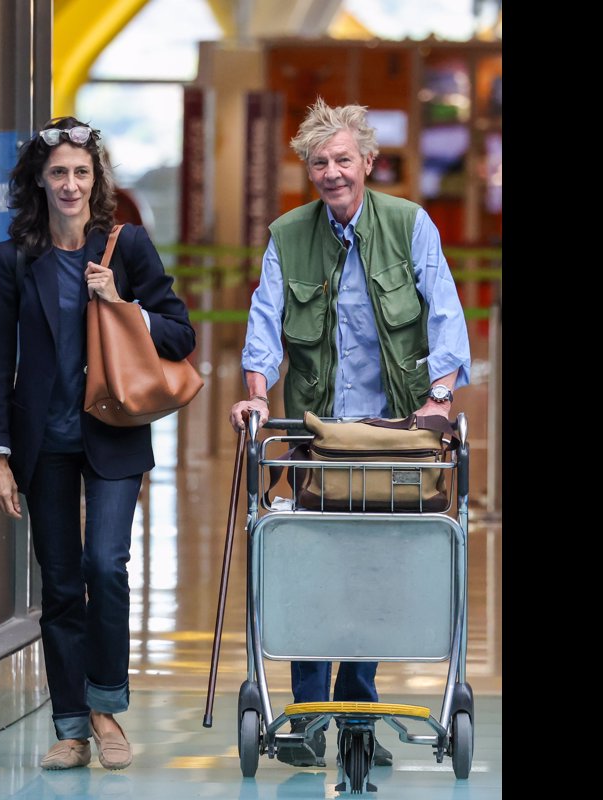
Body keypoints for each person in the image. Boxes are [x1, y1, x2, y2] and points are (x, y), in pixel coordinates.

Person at [229, 97, 471, 769]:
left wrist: (441, 397)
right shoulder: (289, 235)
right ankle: (308, 716)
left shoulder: (409, 225)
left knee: (370, 571)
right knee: (310, 565)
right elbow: (265, 321)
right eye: (319, 162)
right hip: (315, 431)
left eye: (343, 159)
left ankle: (358, 712)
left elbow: (444, 312)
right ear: (308, 169)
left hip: (392, 432)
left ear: (368, 161)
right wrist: (255, 394)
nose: (332, 172)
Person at [0, 116, 196, 771]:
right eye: (58, 174)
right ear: (39, 182)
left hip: (115, 432)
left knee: (107, 565)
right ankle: (71, 724)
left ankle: (106, 707)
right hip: (43, 442)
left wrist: (123, 305)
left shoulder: (124, 248)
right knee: (63, 586)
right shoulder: (15, 256)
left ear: (96, 179)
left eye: (80, 172)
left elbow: (181, 335)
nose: (70, 184)